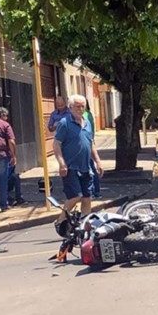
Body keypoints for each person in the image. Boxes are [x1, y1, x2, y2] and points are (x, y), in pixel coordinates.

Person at [53, 95, 103, 231]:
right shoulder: (65, 123)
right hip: (70, 167)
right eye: (77, 106)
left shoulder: (87, 122)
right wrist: (61, 163)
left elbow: (91, 144)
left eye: (83, 106)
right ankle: (60, 221)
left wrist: (98, 161)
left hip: (86, 167)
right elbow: (57, 144)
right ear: (70, 107)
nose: (80, 109)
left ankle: (84, 224)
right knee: (76, 196)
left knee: (87, 197)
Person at [84, 99, 101, 198]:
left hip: (88, 145)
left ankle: (94, 192)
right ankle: (95, 191)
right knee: (91, 168)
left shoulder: (85, 115)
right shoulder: (89, 113)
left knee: (89, 169)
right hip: (89, 143)